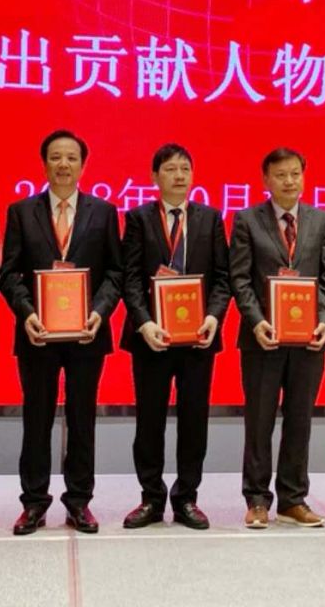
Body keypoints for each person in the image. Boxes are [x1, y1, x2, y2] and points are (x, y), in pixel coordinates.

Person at [0, 129, 123, 535]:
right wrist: (27, 313)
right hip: (38, 334)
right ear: (44, 164)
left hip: (87, 334)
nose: (63, 164)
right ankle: (34, 502)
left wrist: (99, 312)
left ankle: (79, 502)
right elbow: (8, 274)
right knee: (36, 419)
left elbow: (116, 272)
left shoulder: (103, 212)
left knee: (82, 418)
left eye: (71, 157)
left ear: (83, 165)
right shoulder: (22, 211)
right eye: (56, 157)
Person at [118, 143, 230, 531]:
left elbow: (223, 278)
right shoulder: (138, 218)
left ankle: (186, 498)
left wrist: (213, 316)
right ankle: (151, 497)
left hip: (198, 337)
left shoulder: (210, 218)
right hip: (152, 337)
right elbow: (130, 278)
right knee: (149, 420)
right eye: (170, 169)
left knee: (194, 420)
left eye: (185, 168)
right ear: (154, 177)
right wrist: (144, 322)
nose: (179, 175)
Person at [229, 147, 325, 529]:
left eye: (295, 174)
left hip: (308, 339)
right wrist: (257, 321)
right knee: (259, 420)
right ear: (266, 180)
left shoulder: (322, 221)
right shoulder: (247, 220)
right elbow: (240, 278)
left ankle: (293, 499)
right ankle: (257, 499)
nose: (289, 181)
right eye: (280, 175)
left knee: (300, 419)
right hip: (263, 338)